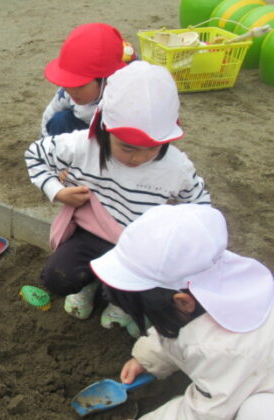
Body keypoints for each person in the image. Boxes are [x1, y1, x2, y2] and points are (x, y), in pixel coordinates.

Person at [24, 61, 211, 336]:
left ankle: (119, 301)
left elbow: (200, 207)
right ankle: (88, 284)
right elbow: (35, 154)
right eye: (127, 148)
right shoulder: (83, 146)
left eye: (152, 148)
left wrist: (182, 238)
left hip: (139, 244)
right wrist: (57, 190)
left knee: (147, 295)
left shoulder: (176, 167)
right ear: (104, 128)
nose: (139, 157)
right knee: (57, 277)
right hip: (91, 234)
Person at [90, 204, 274, 419]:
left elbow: (205, 414)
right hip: (246, 368)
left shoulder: (218, 349)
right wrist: (147, 359)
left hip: (257, 385)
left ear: (183, 302)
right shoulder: (211, 273)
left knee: (256, 411)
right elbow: (172, 326)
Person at [40, 22, 136, 137]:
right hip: (82, 131)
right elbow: (50, 112)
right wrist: (44, 142)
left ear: (105, 80)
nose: (72, 90)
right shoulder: (66, 93)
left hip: (112, 137)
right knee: (59, 121)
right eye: (67, 82)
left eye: (80, 85)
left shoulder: (121, 97)